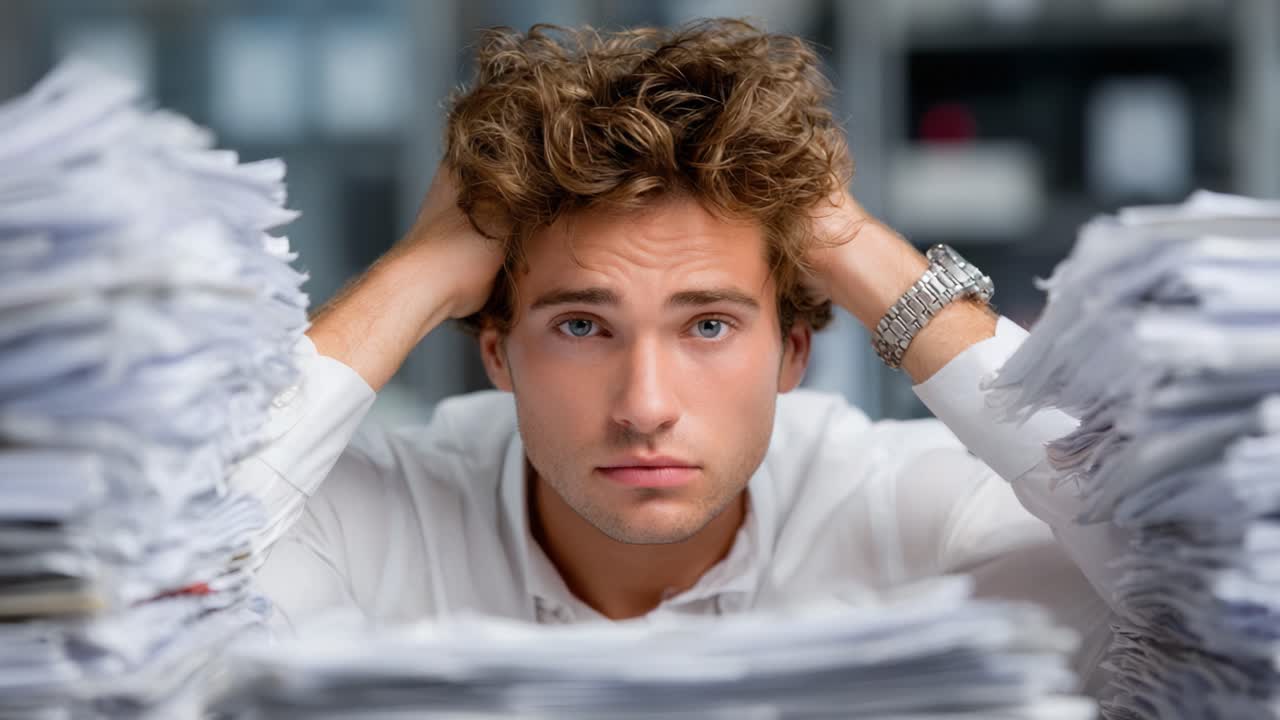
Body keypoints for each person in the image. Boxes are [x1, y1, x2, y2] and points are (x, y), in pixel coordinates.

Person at [231, 19, 1125, 695]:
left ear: (794, 353)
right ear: (498, 356)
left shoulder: (919, 511)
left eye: (708, 326)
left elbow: (1218, 580)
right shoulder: (363, 516)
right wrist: (418, 271)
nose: (646, 405)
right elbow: (131, 587)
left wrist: (856, 248)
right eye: (582, 325)